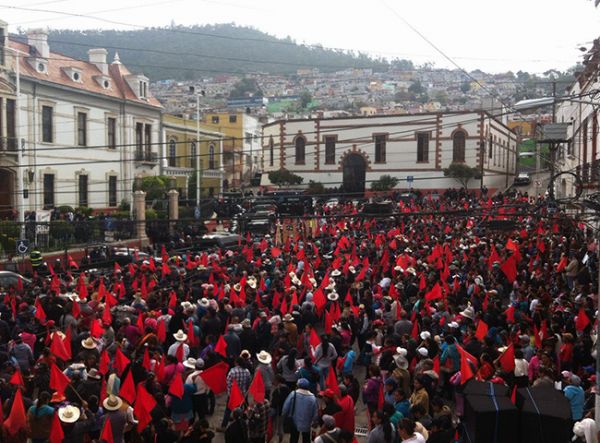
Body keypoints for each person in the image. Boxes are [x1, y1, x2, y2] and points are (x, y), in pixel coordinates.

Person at [282, 378, 319, 443]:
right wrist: (315, 421)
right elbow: (315, 413)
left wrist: (284, 416)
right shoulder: (312, 398)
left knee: (293, 438)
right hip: (307, 423)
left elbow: (285, 408)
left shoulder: (293, 394)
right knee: (306, 439)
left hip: (294, 422)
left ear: (298, 386)